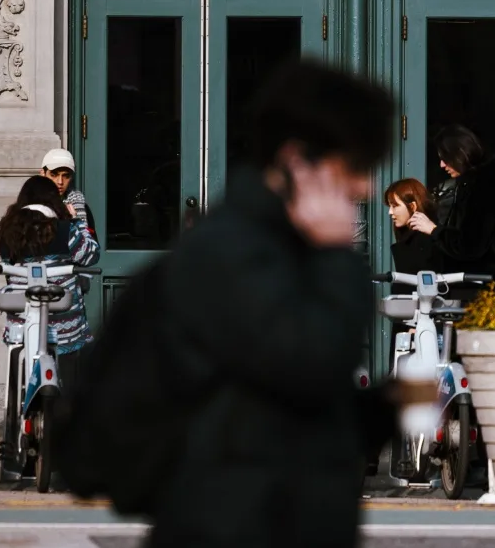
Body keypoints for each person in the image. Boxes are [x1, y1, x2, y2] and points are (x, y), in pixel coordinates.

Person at [148, 58, 403, 548]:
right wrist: (338, 259)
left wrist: (373, 414)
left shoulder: (258, 249)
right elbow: (304, 368)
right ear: (297, 162)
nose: (367, 187)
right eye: (355, 166)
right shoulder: (244, 255)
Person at [0, 173, 101, 355]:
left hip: (21, 325)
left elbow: (9, 274)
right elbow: (91, 254)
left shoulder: (4, 231)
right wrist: (78, 221)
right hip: (64, 330)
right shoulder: (65, 229)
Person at [407, 125, 495, 293]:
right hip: (482, 285)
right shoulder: (478, 185)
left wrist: (434, 230)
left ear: (460, 154)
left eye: (445, 158)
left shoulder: (482, 189)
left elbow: (470, 245)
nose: (442, 165)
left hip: (480, 289)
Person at [40, 146, 96, 246]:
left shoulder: (81, 206)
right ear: (43, 174)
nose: (60, 182)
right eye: (54, 175)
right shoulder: (30, 205)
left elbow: (91, 248)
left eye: (66, 176)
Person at [384, 177, 440, 275]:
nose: (390, 212)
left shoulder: (426, 241)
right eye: (390, 206)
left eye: (395, 206)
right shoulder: (408, 236)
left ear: (412, 206)